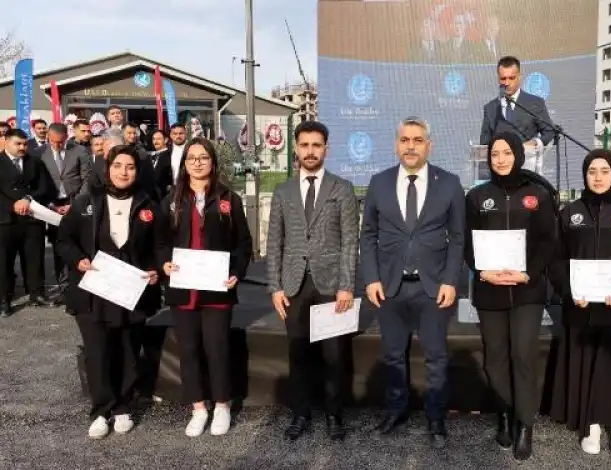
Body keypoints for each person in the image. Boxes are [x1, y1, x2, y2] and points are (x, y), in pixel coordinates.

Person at [361, 116, 465, 449]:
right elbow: (368, 236)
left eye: (418, 140)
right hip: (390, 287)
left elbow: (459, 239)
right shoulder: (378, 183)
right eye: (405, 140)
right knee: (393, 355)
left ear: (429, 145)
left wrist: (451, 280)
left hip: (433, 287)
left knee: (436, 355)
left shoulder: (449, 183)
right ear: (396, 144)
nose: (410, 146)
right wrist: (371, 278)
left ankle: (435, 417)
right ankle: (396, 410)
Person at [546, 149, 611, 460]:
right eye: (592, 171)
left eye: (604, 171)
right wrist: (568, 289)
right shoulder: (569, 214)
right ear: (585, 175)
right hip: (578, 306)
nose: (598, 177)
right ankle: (590, 423)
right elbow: (555, 259)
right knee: (584, 363)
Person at [56, 144, 164, 439]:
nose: (123, 172)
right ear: (107, 168)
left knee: (129, 350)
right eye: (118, 166)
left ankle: (124, 407)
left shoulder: (150, 206)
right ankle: (101, 410)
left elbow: (160, 247)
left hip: (131, 291)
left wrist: (156, 269)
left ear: (137, 171)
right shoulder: (85, 203)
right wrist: (78, 260)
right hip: (93, 293)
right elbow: (63, 240)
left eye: (129, 167)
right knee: (98, 352)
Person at [463, 132, 558, 460]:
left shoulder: (538, 195)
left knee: (523, 354)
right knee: (496, 357)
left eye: (506, 153)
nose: (500, 159)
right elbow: (467, 243)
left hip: (527, 290)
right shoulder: (477, 197)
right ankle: (503, 414)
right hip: (490, 290)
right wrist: (481, 270)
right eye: (495, 154)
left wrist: (528, 272)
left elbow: (549, 241)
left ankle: (524, 424)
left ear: (518, 155)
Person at [266, 121, 360, 441]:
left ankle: (334, 415)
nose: (310, 151)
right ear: (296, 148)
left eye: (316, 145)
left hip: (332, 284)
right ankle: (300, 413)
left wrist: (347, 284)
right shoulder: (283, 191)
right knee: (298, 353)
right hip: (293, 284)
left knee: (334, 354)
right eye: (304, 145)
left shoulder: (342, 188)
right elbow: (273, 242)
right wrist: (274, 287)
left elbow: (350, 241)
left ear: (326, 149)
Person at [160, 137, 252, 437]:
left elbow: (243, 242)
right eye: (191, 158)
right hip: (183, 289)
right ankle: (198, 407)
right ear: (184, 164)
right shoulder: (171, 199)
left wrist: (237, 271)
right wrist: (164, 263)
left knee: (217, 348)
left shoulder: (229, 198)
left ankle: (222, 405)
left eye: (203, 157)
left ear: (213, 162)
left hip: (216, 288)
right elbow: (159, 241)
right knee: (188, 349)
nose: (197, 163)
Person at [0, 129, 58, 317]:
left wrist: (27, 198)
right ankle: (4, 300)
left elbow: (46, 188)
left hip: (32, 219)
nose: (22, 147)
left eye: (25, 144)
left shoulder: (35, 162)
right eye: (18, 144)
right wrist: (13, 204)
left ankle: (36, 294)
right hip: (5, 221)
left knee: (34, 258)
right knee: (4, 262)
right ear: (6, 142)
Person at [38, 123, 91, 292]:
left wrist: (75, 204)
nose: (56, 145)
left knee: (78, 241)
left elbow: (87, 179)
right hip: (52, 204)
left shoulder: (79, 151)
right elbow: (39, 182)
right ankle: (63, 281)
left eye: (60, 142)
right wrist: (51, 205)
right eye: (53, 142)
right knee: (58, 243)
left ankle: (80, 278)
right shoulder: (40, 154)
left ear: (66, 138)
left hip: (74, 201)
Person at [479, 56, 555, 152]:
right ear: (498, 78)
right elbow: (484, 143)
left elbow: (549, 132)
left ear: (519, 77)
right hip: (501, 164)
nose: (507, 83)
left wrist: (535, 143)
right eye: (503, 78)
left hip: (527, 162)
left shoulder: (535, 103)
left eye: (511, 78)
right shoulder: (490, 108)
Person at [149, 130, 172, 201]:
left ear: (166, 140)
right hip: (152, 196)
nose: (155, 141)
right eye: (154, 139)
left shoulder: (170, 155)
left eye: (159, 139)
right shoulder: (152, 156)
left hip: (164, 196)